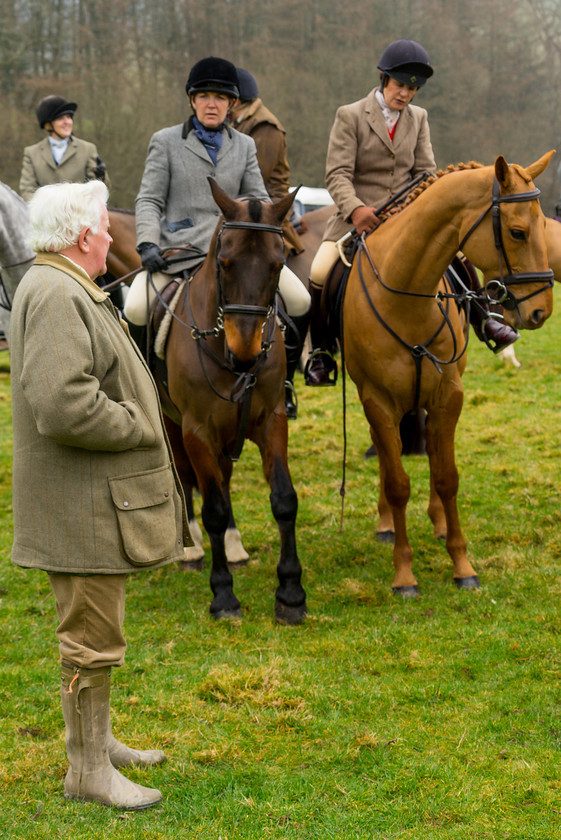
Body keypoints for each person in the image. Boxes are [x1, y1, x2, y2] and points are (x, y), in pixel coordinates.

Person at [9, 180, 190, 810]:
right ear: (84, 237)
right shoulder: (58, 291)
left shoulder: (65, 283)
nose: (113, 237)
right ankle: (87, 771)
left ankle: (98, 742)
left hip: (86, 499)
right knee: (89, 637)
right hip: (80, 503)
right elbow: (64, 404)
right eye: (105, 230)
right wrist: (139, 425)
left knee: (95, 630)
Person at [305, 39, 518, 385]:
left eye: (412, 88)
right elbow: (337, 174)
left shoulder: (419, 118)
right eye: (400, 85)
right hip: (355, 220)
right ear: (384, 79)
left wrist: (415, 207)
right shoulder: (351, 115)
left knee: (458, 255)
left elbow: (425, 173)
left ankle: (485, 321)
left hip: (407, 217)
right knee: (319, 270)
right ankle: (322, 352)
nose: (405, 94)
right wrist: (357, 209)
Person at [124, 56, 310, 417]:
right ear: (192, 101)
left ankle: (284, 383)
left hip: (237, 258)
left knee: (300, 300)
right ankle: (142, 388)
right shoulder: (164, 142)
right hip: (181, 252)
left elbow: (258, 198)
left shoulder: (244, 145)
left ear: (232, 104)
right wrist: (147, 242)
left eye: (220, 98)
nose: (212, 104)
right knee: (135, 308)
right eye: (205, 96)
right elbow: (148, 198)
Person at [231, 68, 308, 417]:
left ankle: (287, 380)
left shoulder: (265, 129)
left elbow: (253, 186)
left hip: (268, 219)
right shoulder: (237, 124)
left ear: (239, 101)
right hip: (238, 220)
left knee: (297, 299)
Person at [19, 95, 107, 201]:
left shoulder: (88, 149)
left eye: (69, 117)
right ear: (48, 125)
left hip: (79, 213)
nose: (67, 122)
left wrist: (101, 178)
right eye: (60, 118)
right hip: (45, 214)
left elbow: (97, 192)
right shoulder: (31, 153)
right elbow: (27, 189)